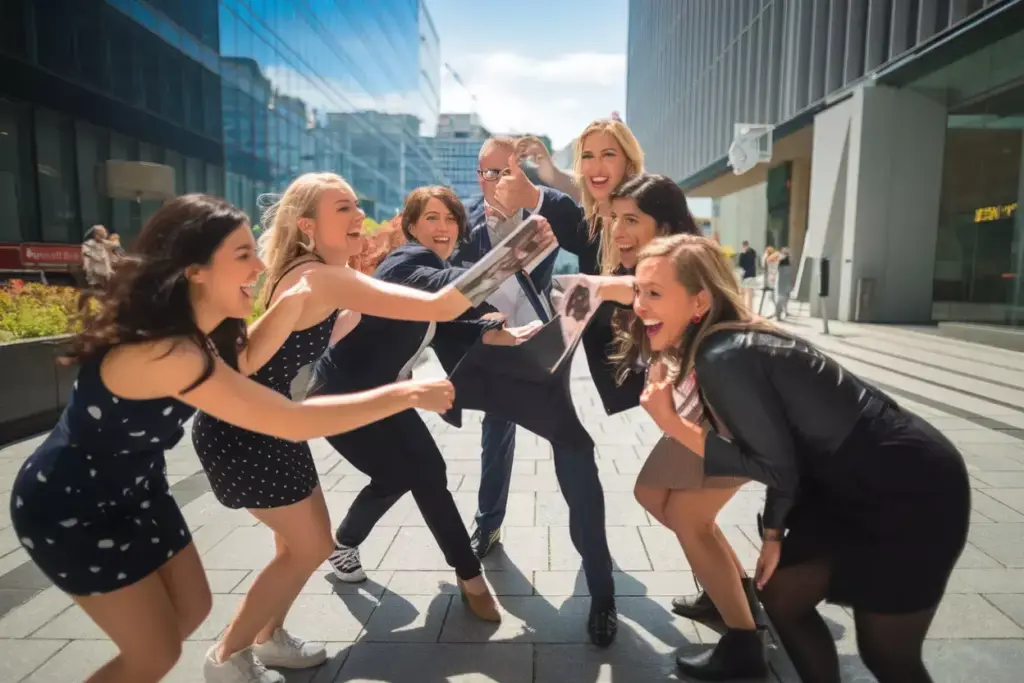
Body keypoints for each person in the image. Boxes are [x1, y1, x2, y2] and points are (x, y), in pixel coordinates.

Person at [8, 194, 456, 683]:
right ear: (195, 270)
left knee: (195, 609)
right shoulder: (167, 349)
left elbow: (251, 360)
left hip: (138, 486)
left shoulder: (200, 332)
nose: (261, 264)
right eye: (243, 255)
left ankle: (247, 646)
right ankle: (226, 657)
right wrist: (406, 393)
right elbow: (289, 420)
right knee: (154, 655)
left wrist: (289, 306)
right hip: (70, 504)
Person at [190, 173, 503, 683]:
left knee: (297, 547)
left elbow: (252, 357)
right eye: (343, 209)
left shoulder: (306, 271)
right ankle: (227, 655)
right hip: (248, 431)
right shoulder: (322, 277)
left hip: (267, 426)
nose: (359, 215)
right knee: (311, 547)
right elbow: (440, 305)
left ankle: (269, 638)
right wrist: (516, 253)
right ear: (307, 225)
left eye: (356, 205)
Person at [628, 233, 971, 683]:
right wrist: (773, 532)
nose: (638, 305)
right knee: (784, 591)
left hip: (908, 486)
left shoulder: (722, 354)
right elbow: (781, 453)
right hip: (843, 480)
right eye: (637, 290)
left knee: (887, 654)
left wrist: (671, 424)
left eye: (654, 293)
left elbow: (772, 465)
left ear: (698, 303)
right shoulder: (717, 343)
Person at [312, 186, 542, 621]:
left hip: (387, 394)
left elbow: (458, 323)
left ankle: (344, 544)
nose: (443, 227)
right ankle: (468, 575)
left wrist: (503, 333)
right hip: (341, 397)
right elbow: (440, 289)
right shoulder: (405, 263)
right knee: (408, 474)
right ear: (412, 226)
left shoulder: (434, 276)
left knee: (415, 474)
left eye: (451, 219)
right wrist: (510, 256)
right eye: (431, 218)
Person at [452, 127, 640, 646]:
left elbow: (594, 245)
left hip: (543, 350)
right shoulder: (462, 216)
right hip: (489, 353)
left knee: (573, 451)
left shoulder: (552, 205)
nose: (493, 181)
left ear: (523, 169)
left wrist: (536, 200)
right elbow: (442, 277)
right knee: (495, 430)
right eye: (486, 171)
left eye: (505, 170)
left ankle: (602, 591)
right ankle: (487, 525)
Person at [774, 247, 794, 320]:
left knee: (784, 297)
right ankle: (778, 315)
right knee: (781, 298)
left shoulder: (786, 261)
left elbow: (788, 273)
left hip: (784, 281)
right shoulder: (783, 260)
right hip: (783, 282)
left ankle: (780, 314)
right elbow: (785, 273)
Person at [738, 240, 757, 308]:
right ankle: (750, 310)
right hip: (752, 275)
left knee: (744, 294)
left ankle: (744, 309)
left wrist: (741, 278)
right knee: (750, 295)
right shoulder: (753, 253)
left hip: (746, 276)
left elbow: (741, 267)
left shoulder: (742, 255)